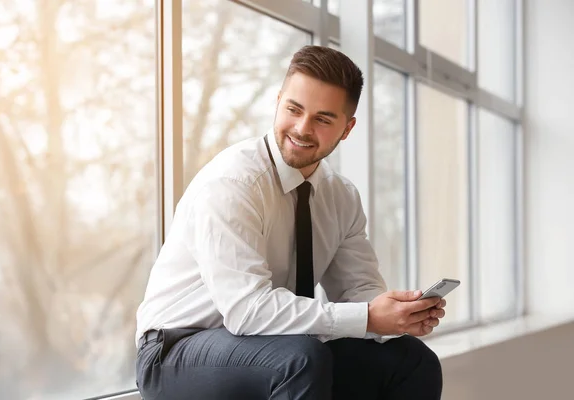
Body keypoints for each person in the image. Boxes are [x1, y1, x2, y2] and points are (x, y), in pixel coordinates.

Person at [135, 45, 445, 400]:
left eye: (323, 119)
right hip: (175, 350)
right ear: (279, 100)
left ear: (347, 128)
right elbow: (246, 312)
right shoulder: (233, 182)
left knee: (412, 360)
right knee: (300, 360)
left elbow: (359, 293)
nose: (302, 128)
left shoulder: (340, 196)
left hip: (273, 346)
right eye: (293, 109)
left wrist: (399, 316)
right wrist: (368, 317)